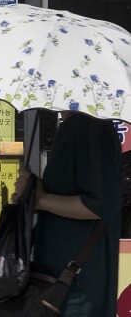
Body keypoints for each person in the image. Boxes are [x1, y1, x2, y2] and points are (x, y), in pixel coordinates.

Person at [13, 111, 122, 316]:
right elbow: (68, 193)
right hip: (58, 276)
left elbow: (100, 204)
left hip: (75, 279)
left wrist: (40, 199)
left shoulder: (89, 125)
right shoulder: (73, 126)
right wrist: (33, 190)